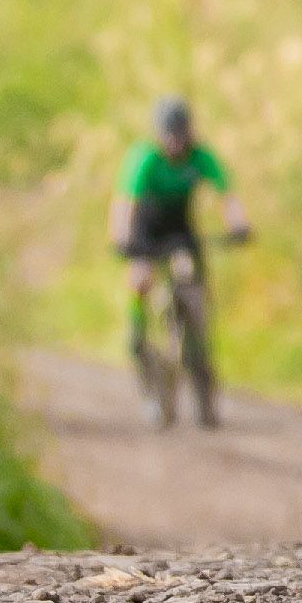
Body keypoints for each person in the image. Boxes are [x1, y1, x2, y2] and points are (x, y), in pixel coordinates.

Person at [114, 95, 251, 407]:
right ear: (159, 134)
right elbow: (125, 203)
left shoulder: (200, 157)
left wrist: (239, 225)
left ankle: (199, 353)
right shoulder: (146, 158)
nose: (176, 143)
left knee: (193, 285)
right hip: (146, 228)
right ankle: (137, 336)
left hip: (181, 230)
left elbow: (227, 194)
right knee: (141, 278)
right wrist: (122, 238)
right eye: (170, 135)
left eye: (181, 135)